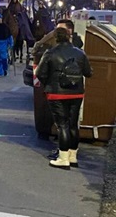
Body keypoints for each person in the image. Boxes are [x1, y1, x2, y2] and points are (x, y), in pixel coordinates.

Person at [35, 27, 92, 169]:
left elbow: (40, 73)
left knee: (62, 125)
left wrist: (48, 84)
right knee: (73, 124)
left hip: (57, 93)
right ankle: (73, 156)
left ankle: (63, 158)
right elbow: (88, 73)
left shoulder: (50, 53)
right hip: (77, 92)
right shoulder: (80, 53)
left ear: (56, 37)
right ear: (69, 37)